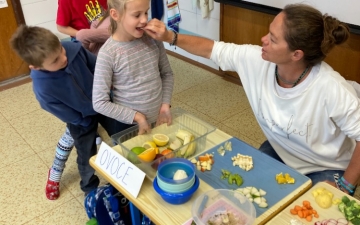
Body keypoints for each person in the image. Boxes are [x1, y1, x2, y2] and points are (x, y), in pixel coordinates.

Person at [144, 4, 360, 195]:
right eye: (269, 32)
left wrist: (346, 185)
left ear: (296, 54)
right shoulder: (257, 60)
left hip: (325, 166)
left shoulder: (331, 88)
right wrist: (170, 37)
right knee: (243, 191)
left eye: (273, 39)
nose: (263, 40)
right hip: (282, 150)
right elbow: (212, 49)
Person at [10, 25, 123, 199]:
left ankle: (127, 173)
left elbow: (97, 67)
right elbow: (57, 108)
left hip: (103, 103)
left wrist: (106, 89)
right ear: (36, 67)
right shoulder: (43, 87)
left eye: (61, 50)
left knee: (122, 133)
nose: (64, 58)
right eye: (55, 60)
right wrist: (81, 120)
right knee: (86, 154)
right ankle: (89, 187)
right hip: (80, 118)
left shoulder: (73, 49)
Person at [92, 0, 174, 135]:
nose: (144, 20)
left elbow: (167, 74)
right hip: (128, 127)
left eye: (146, 12)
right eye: (137, 15)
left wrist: (165, 105)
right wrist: (137, 117)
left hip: (159, 119)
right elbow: (99, 102)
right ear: (115, 14)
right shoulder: (108, 53)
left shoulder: (153, 39)